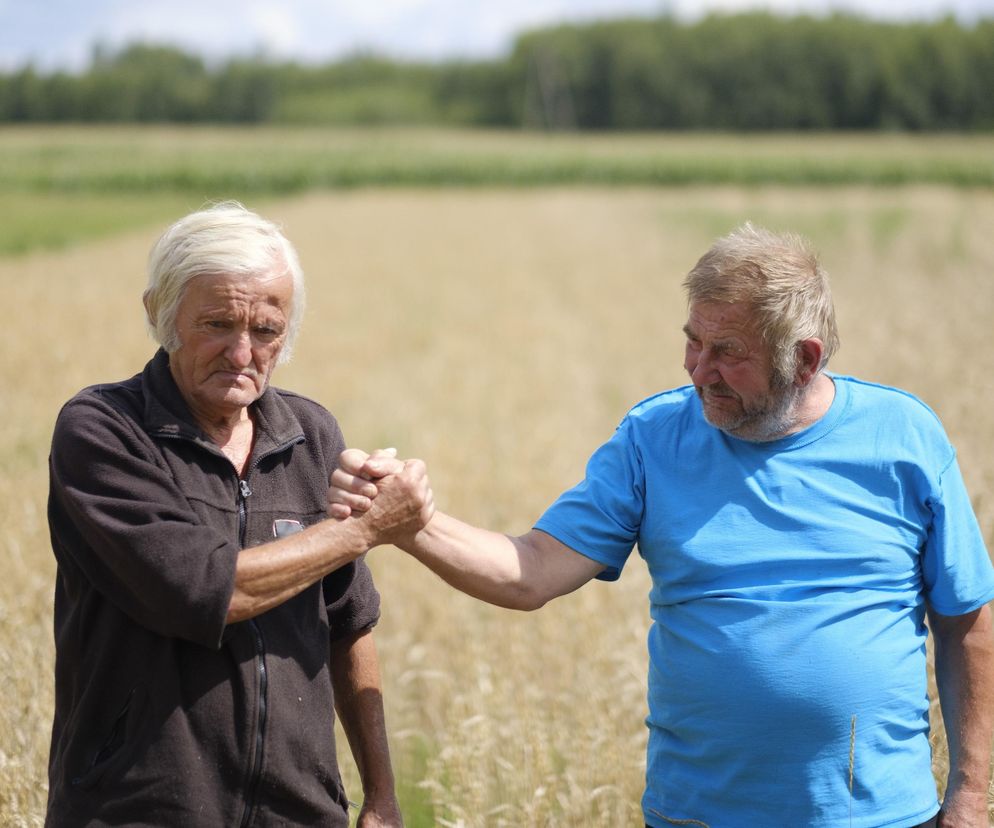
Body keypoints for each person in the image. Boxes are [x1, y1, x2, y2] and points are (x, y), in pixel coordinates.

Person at [332, 224, 994, 828]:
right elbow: (531, 572)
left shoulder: (903, 437)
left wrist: (968, 795)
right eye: (692, 340)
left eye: (726, 352)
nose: (697, 370)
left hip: (881, 817)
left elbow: (967, 620)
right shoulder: (653, 439)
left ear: (806, 359)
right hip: (699, 817)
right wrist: (412, 525)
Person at [46, 202, 433, 827]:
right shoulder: (104, 432)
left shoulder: (310, 434)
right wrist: (361, 529)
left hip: (301, 812)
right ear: (159, 314)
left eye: (267, 330)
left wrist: (382, 797)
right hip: (138, 809)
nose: (241, 351)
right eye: (218, 324)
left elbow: (348, 623)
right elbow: (204, 591)